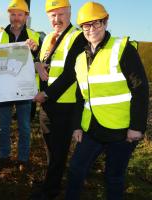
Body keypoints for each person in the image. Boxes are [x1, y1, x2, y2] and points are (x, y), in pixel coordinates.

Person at [65, 2, 148, 200]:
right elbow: (80, 96)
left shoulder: (122, 49)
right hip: (92, 128)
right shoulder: (79, 58)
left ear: (106, 22)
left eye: (97, 23)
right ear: (81, 28)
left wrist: (136, 127)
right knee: (76, 170)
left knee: (114, 177)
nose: (91, 29)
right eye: (86, 25)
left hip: (121, 130)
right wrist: (77, 126)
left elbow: (141, 89)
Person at [31, 0, 88, 199]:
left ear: (70, 13)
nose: (57, 19)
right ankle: (51, 179)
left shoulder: (78, 37)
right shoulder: (47, 38)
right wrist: (37, 64)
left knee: (59, 150)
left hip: (65, 104)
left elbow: (71, 73)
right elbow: (41, 60)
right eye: (53, 15)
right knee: (50, 147)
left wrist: (46, 94)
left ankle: (51, 190)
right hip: (47, 104)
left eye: (61, 14)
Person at [0, 0, 42, 172]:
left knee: (24, 126)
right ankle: (4, 156)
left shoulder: (33, 36)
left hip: (24, 88)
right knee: (3, 125)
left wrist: (35, 49)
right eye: (13, 14)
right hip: (4, 88)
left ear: (26, 16)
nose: (16, 18)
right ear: (9, 15)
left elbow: (39, 58)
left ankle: (23, 159)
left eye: (20, 14)